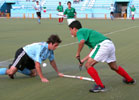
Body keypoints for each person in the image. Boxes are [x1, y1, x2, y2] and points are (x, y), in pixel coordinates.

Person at [69, 20, 136, 93]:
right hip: (110, 44)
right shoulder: (87, 33)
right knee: (114, 67)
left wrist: (78, 53)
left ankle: (100, 86)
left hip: (103, 45)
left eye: (70, 30)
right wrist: (82, 60)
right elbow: (92, 51)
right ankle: (130, 80)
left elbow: (81, 42)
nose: (70, 32)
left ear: (74, 28)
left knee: (88, 65)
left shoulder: (80, 31)